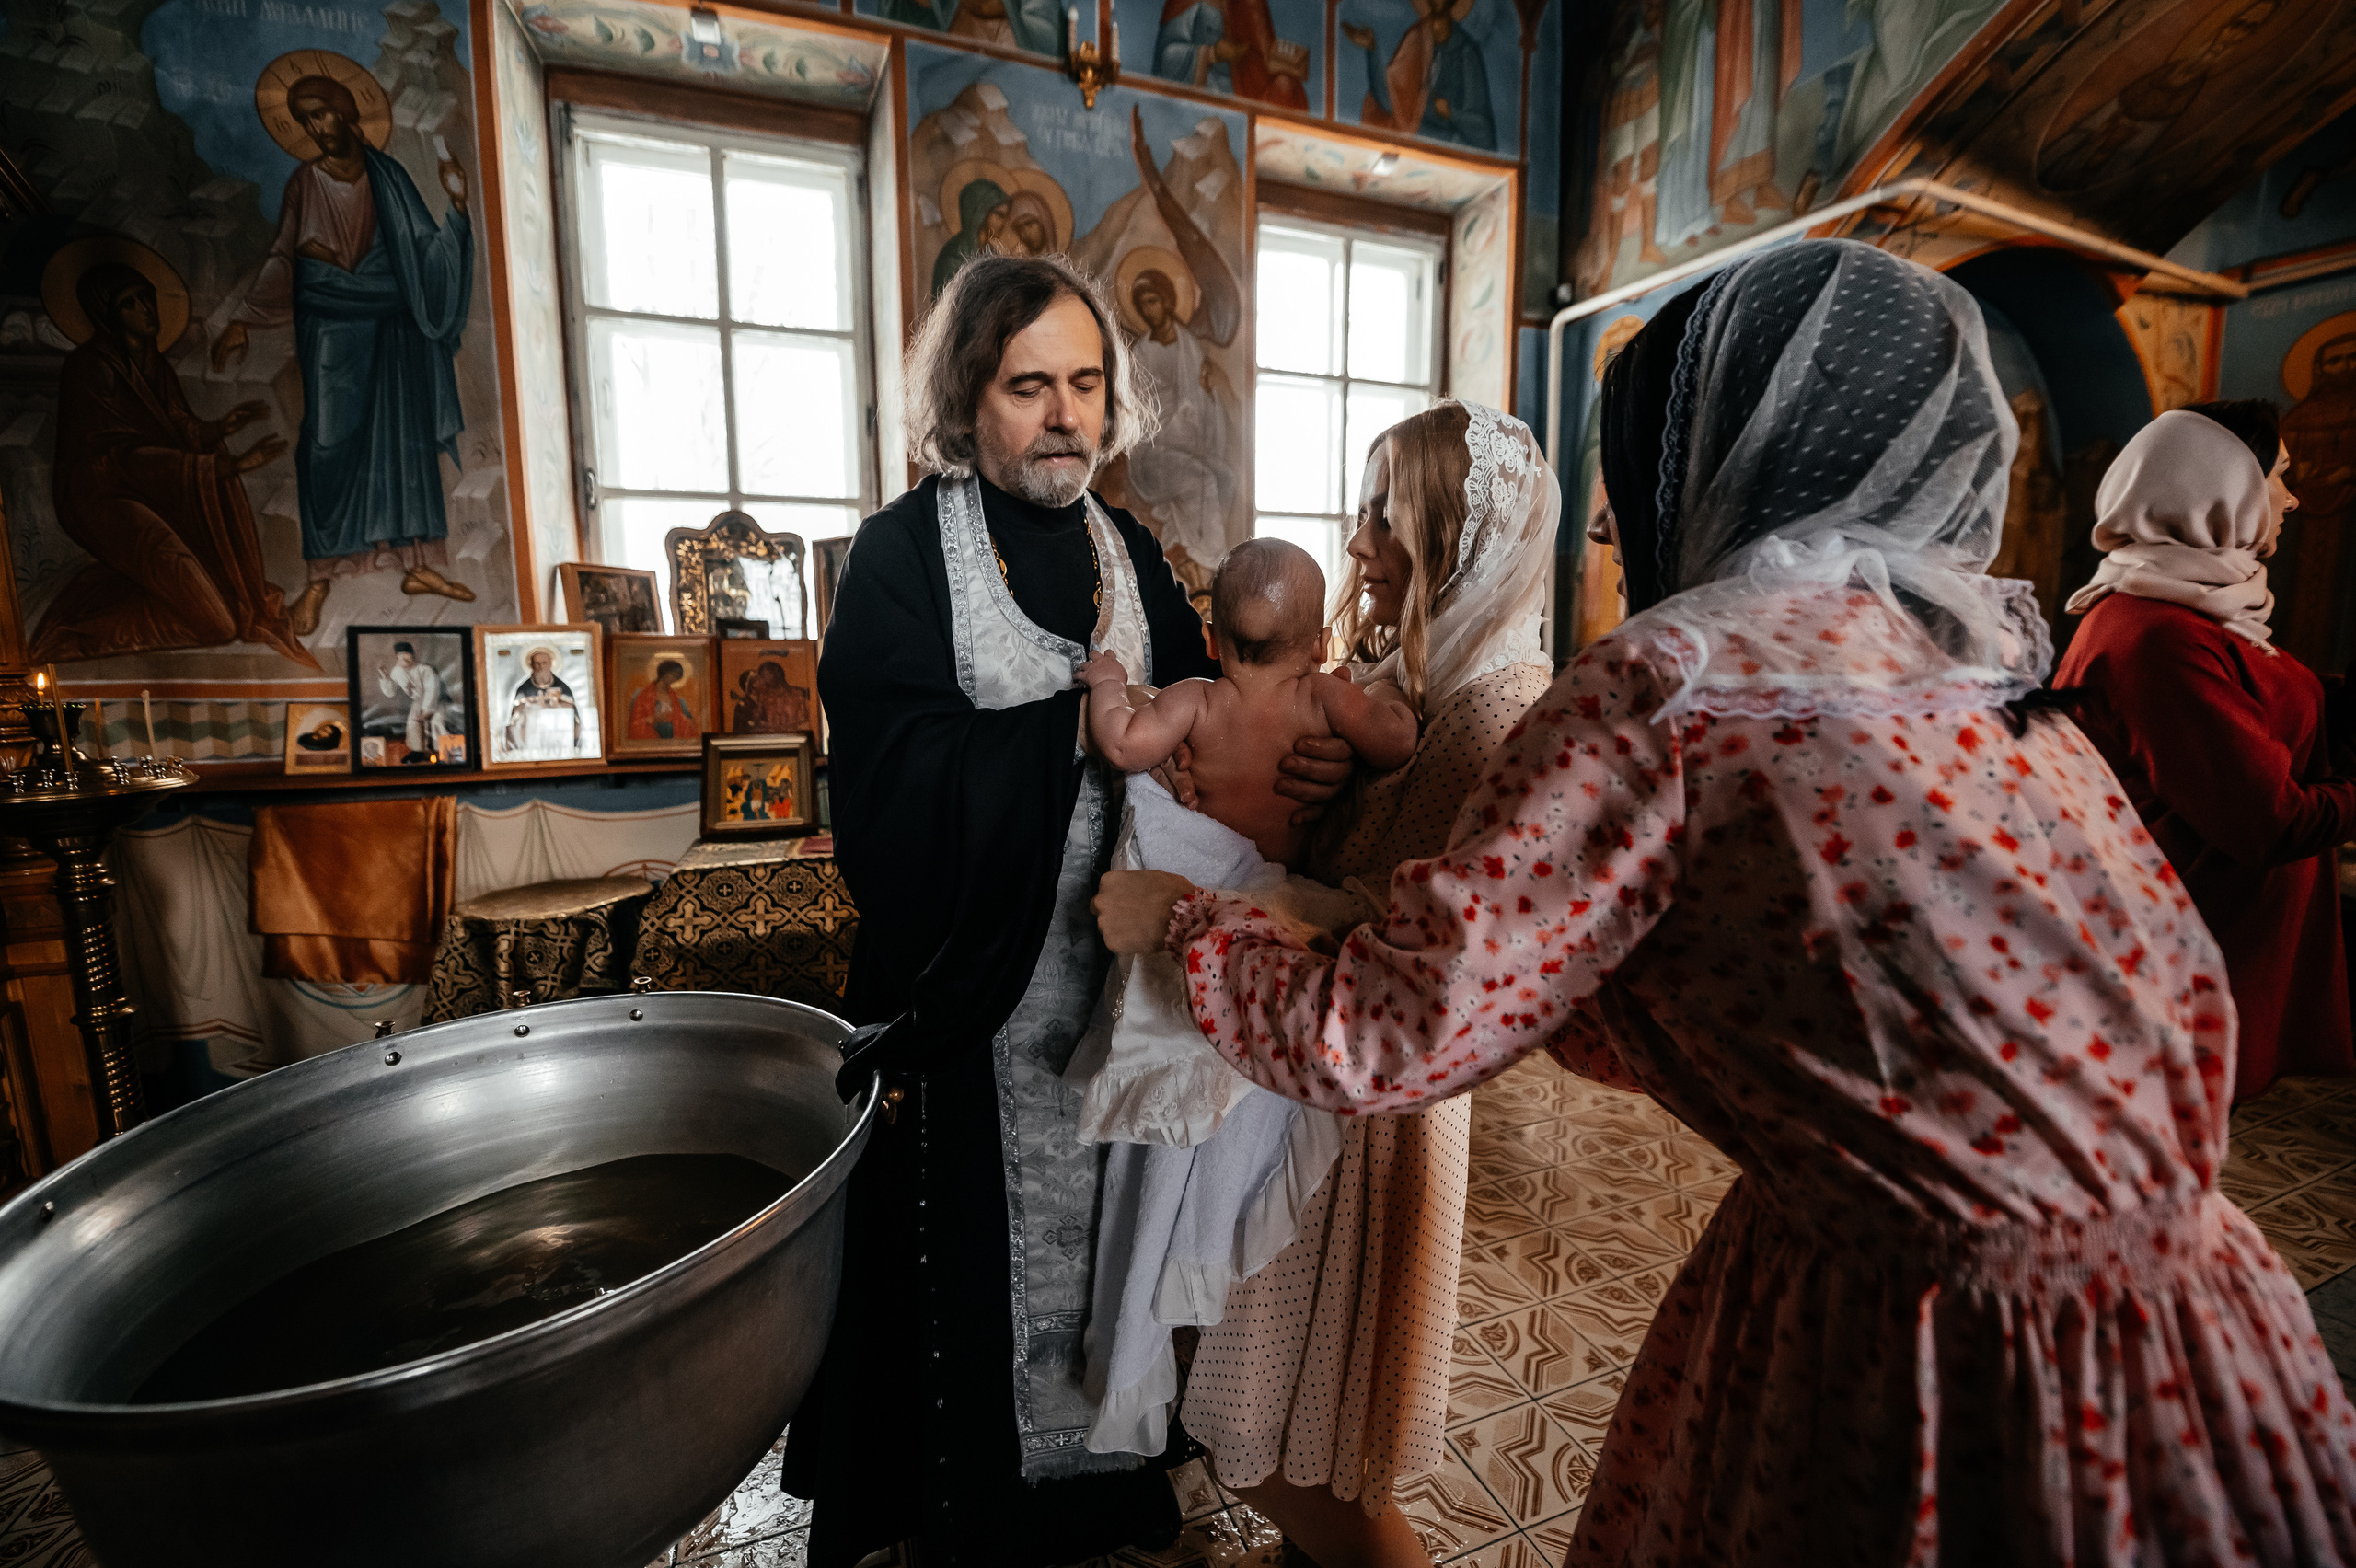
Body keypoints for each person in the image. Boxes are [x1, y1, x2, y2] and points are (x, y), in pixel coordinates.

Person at [1095, 241, 2356, 1564]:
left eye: (1634, 469)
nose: (1604, 527)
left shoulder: (1671, 687)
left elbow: (1387, 1033)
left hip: (1919, 1331)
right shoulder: (1969, 665)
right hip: (2195, 1319)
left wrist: (1190, 927)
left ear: (1718, 463)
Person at [785, 252, 1352, 1568]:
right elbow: (884, 784)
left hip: (1127, 988)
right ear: (966, 399)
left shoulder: (1130, 553)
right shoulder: (900, 557)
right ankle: (968, 1508)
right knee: (965, 1282)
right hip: (972, 990)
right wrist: (1070, 742)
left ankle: (1106, 1491)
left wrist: (1298, 758)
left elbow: (1217, 727)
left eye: (1086, 384)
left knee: (1118, 1239)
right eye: (1027, 386)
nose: (1064, 417)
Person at [1167, 401, 1555, 1568]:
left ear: (1460, 536)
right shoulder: (1412, 683)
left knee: (1292, 1448)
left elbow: (1426, 951)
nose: (1356, 543)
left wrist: (1228, 916)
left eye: (1386, 515)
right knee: (1311, 1414)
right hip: (1319, 1081)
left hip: (1363, 1114)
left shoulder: (1501, 712)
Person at [2054, 402, 2356, 1103]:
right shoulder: (2160, 635)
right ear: (2224, 488)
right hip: (2182, 952)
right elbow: (2269, 822)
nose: (2292, 498)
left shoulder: (2195, 609)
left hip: (2218, 938)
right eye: (2280, 476)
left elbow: (2269, 710)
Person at [211, 70, 476, 634]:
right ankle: (320, 579)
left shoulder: (389, 175)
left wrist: (457, 205)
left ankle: (418, 563)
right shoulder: (305, 182)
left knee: (404, 443)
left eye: (322, 112)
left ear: (347, 112)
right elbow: (285, 255)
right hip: (332, 325)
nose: (315, 127)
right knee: (327, 444)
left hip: (394, 324)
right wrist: (243, 320)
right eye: (305, 119)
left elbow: (425, 253)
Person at [33, 259, 314, 667]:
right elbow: (119, 457)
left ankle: (123, 587)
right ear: (106, 313)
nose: (146, 309)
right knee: (219, 626)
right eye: (129, 303)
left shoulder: (154, 365)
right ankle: (75, 629)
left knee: (225, 605)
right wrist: (226, 468)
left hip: (150, 490)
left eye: (146, 297)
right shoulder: (90, 369)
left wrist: (219, 428)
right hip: (104, 502)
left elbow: (176, 428)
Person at [1082, 537, 1418, 866]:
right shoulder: (1323, 696)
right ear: (1321, 645)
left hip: (1208, 874)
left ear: (1211, 641)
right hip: (1290, 882)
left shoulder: (1196, 701)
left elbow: (1121, 745)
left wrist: (1109, 684)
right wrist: (1383, 687)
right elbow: (1398, 741)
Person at [502, 647, 582, 757]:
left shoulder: (563, 687)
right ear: (531, 665)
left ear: (551, 664)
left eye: (544, 663)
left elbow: (574, 716)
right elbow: (515, 719)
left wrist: (557, 704)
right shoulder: (523, 690)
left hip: (560, 740)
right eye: (537, 663)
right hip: (530, 741)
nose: (541, 667)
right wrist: (531, 705)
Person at [375, 641, 447, 762]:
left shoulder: (425, 670)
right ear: (397, 657)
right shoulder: (397, 672)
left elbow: (432, 689)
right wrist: (385, 677)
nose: (403, 658)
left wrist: (427, 710)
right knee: (413, 724)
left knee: (437, 723)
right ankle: (418, 752)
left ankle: (443, 755)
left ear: (412, 655)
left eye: (406, 654)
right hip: (418, 702)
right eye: (400, 655)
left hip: (435, 702)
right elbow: (391, 692)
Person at [626, 659, 698, 741]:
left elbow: (681, 718)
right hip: (652, 736)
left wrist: (683, 720)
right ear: (664, 673)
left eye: (677, 677)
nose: (674, 679)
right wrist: (654, 719)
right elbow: (635, 724)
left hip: (672, 737)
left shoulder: (674, 696)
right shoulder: (644, 695)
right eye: (672, 675)